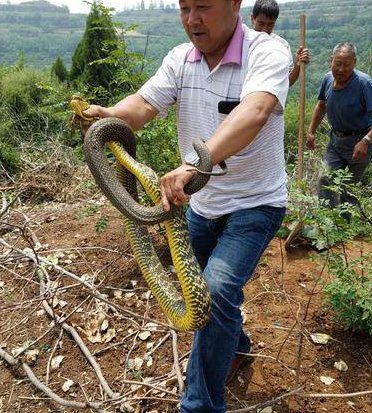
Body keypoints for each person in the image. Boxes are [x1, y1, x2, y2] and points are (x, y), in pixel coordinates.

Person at [81, 0, 290, 411]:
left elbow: (256, 110)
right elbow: (142, 106)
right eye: (185, 8)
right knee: (219, 300)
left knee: (211, 292)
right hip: (200, 206)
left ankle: (198, 405)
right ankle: (237, 346)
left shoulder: (267, 51)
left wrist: (196, 162)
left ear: (234, 4)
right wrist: (109, 115)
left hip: (255, 203)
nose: (192, 19)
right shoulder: (181, 59)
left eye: (204, 7)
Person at [307, 42, 372, 211]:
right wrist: (311, 131)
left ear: (355, 63)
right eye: (338, 64)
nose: (341, 69)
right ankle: (325, 222)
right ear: (331, 60)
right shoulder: (328, 78)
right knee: (325, 179)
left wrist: (365, 141)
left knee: (347, 189)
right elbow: (321, 105)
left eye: (347, 65)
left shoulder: (364, 84)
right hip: (335, 141)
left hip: (359, 142)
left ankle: (344, 228)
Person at [250, 0, 310, 86]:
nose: (265, 30)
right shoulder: (243, 42)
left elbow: (288, 82)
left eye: (270, 25)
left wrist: (297, 65)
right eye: (261, 24)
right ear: (252, 18)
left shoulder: (281, 45)